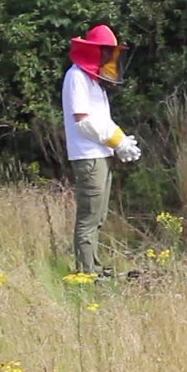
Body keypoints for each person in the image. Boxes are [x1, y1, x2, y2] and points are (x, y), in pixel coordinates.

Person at [62, 24, 141, 275]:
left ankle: (93, 267)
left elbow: (102, 119)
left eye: (111, 53)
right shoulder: (76, 76)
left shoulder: (93, 81)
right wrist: (117, 141)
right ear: (93, 51)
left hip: (99, 154)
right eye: (106, 51)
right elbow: (83, 120)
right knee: (88, 217)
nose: (109, 58)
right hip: (88, 156)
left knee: (99, 215)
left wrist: (120, 141)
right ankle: (87, 273)